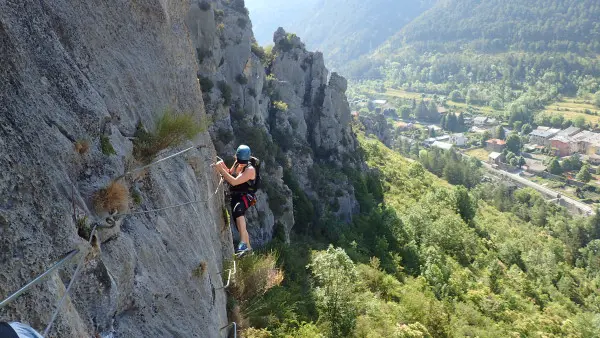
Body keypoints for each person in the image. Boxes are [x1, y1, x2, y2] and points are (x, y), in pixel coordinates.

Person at [214, 145, 257, 255]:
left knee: (238, 210)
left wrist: (221, 171)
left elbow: (234, 181)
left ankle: (243, 244)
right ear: (237, 158)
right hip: (235, 195)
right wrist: (222, 165)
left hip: (246, 195)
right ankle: (249, 248)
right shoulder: (237, 163)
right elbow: (230, 173)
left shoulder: (250, 170)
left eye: (243, 161)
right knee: (239, 224)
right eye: (239, 160)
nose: (241, 163)